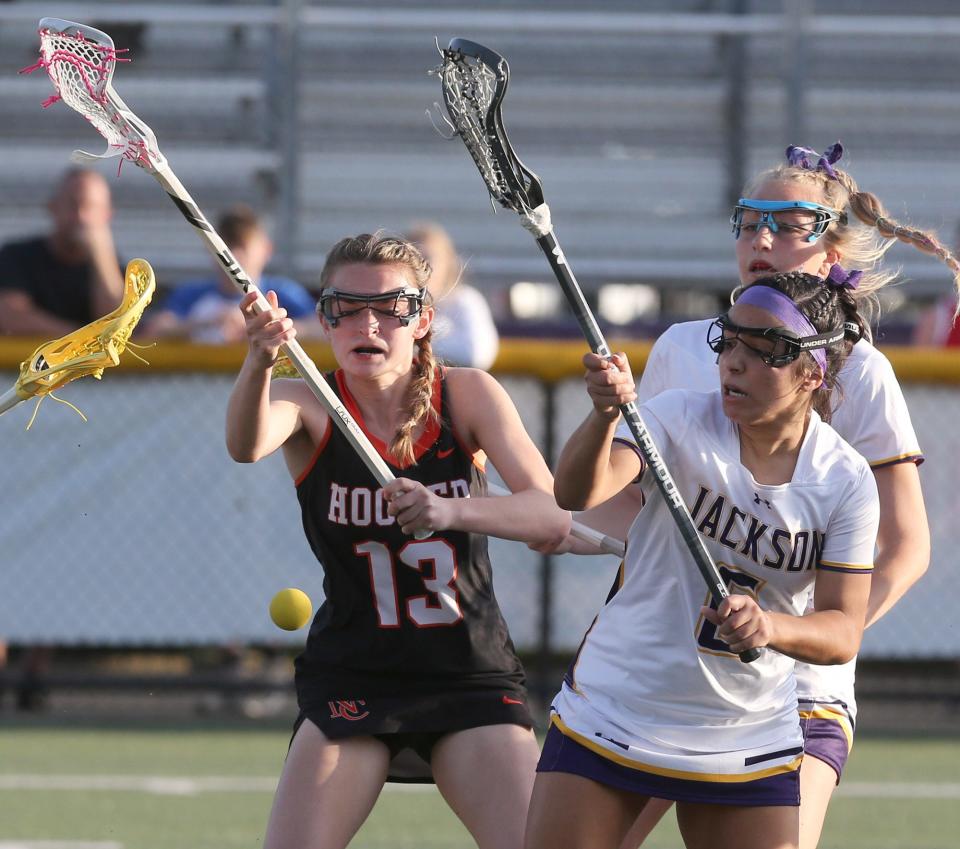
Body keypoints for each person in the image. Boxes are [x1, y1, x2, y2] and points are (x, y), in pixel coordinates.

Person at [622, 142, 959, 849]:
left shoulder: (858, 370)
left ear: (832, 246)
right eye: (748, 221)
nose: (761, 239)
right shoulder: (685, 348)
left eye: (788, 223)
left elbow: (908, 544)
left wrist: (823, 631)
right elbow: (633, 514)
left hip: (795, 689)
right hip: (671, 666)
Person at [225, 232, 570, 849]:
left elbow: (549, 517)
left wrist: (448, 512)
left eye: (390, 308)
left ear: (423, 320)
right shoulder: (310, 403)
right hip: (355, 674)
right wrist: (258, 360)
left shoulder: (466, 394)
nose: (369, 324)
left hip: (467, 673)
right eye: (347, 308)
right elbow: (245, 445)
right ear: (325, 319)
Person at [525, 271, 879, 849]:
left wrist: (771, 626)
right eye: (728, 341)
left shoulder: (844, 481)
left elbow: (842, 630)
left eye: (760, 352)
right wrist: (604, 416)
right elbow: (576, 494)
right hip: (618, 709)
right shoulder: (677, 416)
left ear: (812, 372)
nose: (733, 363)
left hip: (745, 735)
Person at [144, 204, 322, 343]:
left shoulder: (282, 292)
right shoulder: (192, 294)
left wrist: (265, 327)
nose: (234, 256)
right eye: (227, 246)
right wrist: (207, 322)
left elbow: (320, 329)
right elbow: (155, 330)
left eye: (242, 246)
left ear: (267, 250)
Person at [0, 167, 123, 336]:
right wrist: (81, 341)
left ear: (107, 215)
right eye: (73, 205)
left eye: (91, 206)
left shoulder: (114, 270)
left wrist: (101, 255)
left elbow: (117, 326)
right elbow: (11, 316)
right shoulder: (17, 257)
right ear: (53, 208)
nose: (81, 216)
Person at [406, 222, 500, 369]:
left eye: (428, 258)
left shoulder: (465, 300)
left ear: (447, 263)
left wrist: (422, 340)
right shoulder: (397, 304)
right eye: (413, 258)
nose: (420, 266)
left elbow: (477, 354)